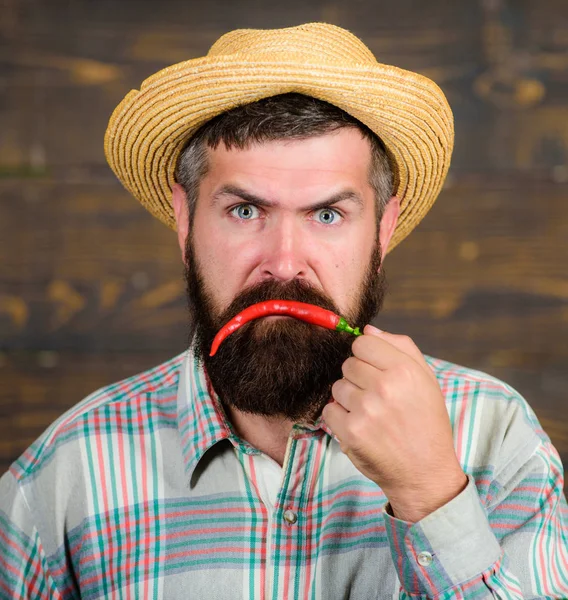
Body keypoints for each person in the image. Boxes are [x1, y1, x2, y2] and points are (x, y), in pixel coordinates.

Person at [1, 22, 567, 600]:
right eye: (245, 211)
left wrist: (431, 493)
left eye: (327, 216)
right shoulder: (69, 469)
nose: (284, 263)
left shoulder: (497, 440)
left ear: (383, 230)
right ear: (185, 220)